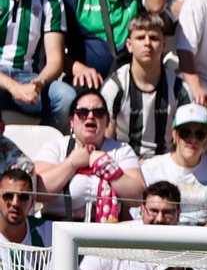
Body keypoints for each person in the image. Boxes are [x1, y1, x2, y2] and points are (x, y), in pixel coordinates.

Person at [0, 0, 75, 130]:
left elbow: (56, 60)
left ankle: (48, 153)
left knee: (66, 97)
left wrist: (38, 84)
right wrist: (14, 87)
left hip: (31, 77)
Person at [34, 86, 144, 220]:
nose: (90, 117)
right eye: (82, 112)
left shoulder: (121, 150)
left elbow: (139, 197)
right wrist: (71, 164)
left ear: (107, 121)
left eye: (98, 112)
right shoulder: (55, 147)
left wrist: (108, 168)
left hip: (106, 231)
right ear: (71, 121)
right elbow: (38, 190)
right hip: (57, 226)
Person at [101, 11, 193, 160]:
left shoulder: (179, 89)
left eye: (154, 38)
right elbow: (105, 140)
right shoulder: (115, 87)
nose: (147, 43)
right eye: (140, 38)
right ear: (129, 45)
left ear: (164, 45)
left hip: (167, 164)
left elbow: (188, 140)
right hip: (124, 163)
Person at [138, 103, 207, 225]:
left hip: (206, 239)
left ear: (206, 139)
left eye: (199, 134)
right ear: (175, 135)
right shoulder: (152, 168)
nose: (193, 139)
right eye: (186, 133)